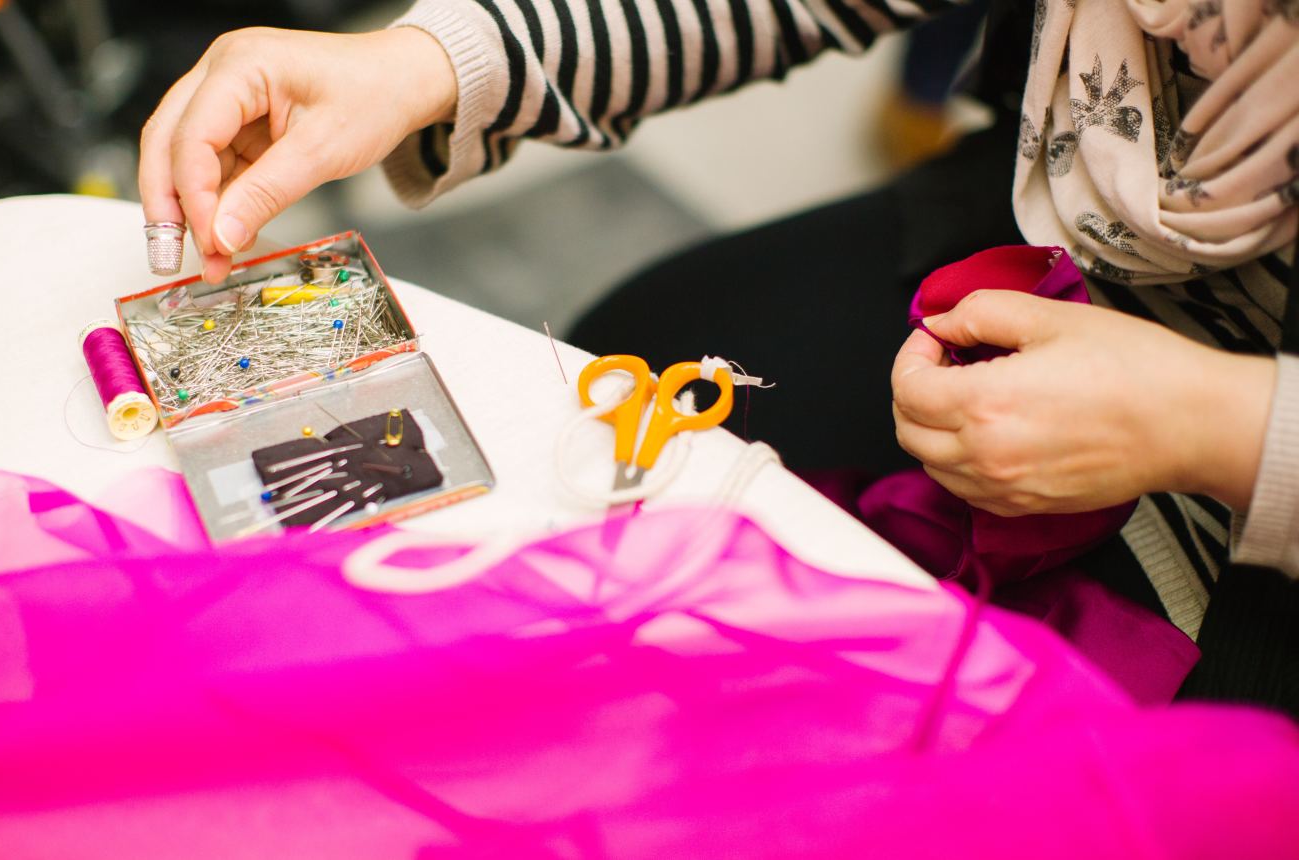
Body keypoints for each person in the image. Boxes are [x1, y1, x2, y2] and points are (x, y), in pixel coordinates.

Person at [138, 0, 1299, 710]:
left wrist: (1222, 423)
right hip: (1013, 256)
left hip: (1259, 547)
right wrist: (429, 62)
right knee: (621, 369)